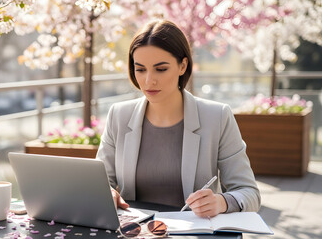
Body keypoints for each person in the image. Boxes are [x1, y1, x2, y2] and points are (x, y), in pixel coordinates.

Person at [96, 20, 260, 218]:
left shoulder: (217, 117)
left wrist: (222, 202)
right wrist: (107, 193)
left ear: (183, 65)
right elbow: (100, 184)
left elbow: (249, 193)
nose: (149, 81)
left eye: (161, 69)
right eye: (140, 69)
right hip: (135, 231)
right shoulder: (119, 115)